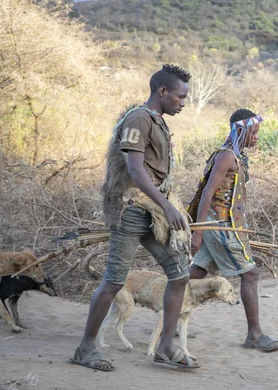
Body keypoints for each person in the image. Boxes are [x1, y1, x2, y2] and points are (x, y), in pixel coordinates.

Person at [70, 64, 199, 371]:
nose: (183, 102)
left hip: (152, 212)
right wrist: (167, 207)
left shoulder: (158, 121)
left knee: (180, 275)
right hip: (132, 211)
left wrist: (167, 207)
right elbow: (135, 170)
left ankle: (167, 344)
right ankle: (85, 348)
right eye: (180, 96)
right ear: (162, 91)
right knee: (114, 281)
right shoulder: (139, 118)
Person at [187, 108, 278, 352]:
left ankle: (168, 320)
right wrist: (198, 231)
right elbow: (207, 194)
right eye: (253, 132)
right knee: (250, 274)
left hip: (224, 224)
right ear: (241, 131)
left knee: (197, 271)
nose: (257, 137)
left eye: (257, 132)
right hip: (220, 225)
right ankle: (255, 336)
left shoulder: (236, 156)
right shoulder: (226, 157)